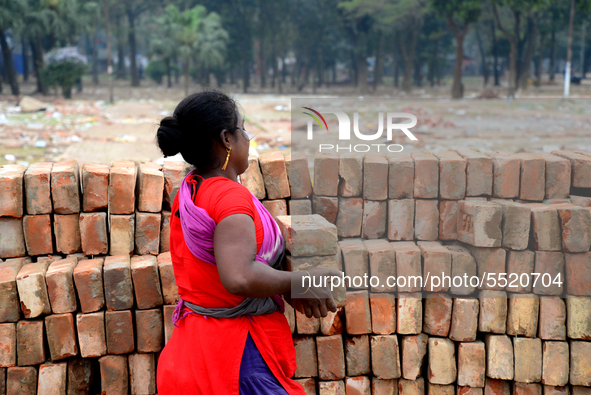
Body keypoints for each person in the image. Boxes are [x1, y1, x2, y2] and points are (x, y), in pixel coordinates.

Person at [155, 89, 340, 395]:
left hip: (193, 350)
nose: (248, 139)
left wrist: (283, 283)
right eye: (243, 130)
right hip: (236, 361)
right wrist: (303, 282)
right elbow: (239, 276)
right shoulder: (230, 197)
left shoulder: (191, 190)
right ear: (227, 139)